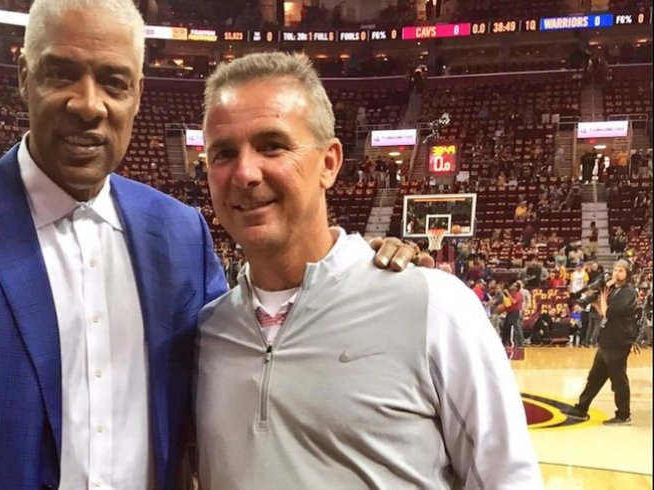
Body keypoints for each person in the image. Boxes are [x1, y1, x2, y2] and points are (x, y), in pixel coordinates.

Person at [0, 2, 416, 488]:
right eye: (61, 74)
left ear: (138, 95)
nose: (89, 104)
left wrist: (355, 270)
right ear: (22, 75)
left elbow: (253, 351)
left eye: (114, 81)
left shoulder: (178, 231)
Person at [194, 52, 541, 489]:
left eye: (272, 145)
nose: (244, 172)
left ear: (329, 163)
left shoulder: (435, 306)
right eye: (224, 153)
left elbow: (508, 479)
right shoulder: (207, 333)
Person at [568, 259, 639, 425]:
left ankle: (623, 415)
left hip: (619, 342)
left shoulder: (628, 292)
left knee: (618, 380)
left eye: (621, 270)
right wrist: (595, 301)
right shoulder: (614, 290)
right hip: (607, 341)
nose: (616, 273)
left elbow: (610, 313)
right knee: (595, 377)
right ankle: (581, 407)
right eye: (615, 269)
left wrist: (604, 299)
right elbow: (603, 314)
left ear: (628, 274)